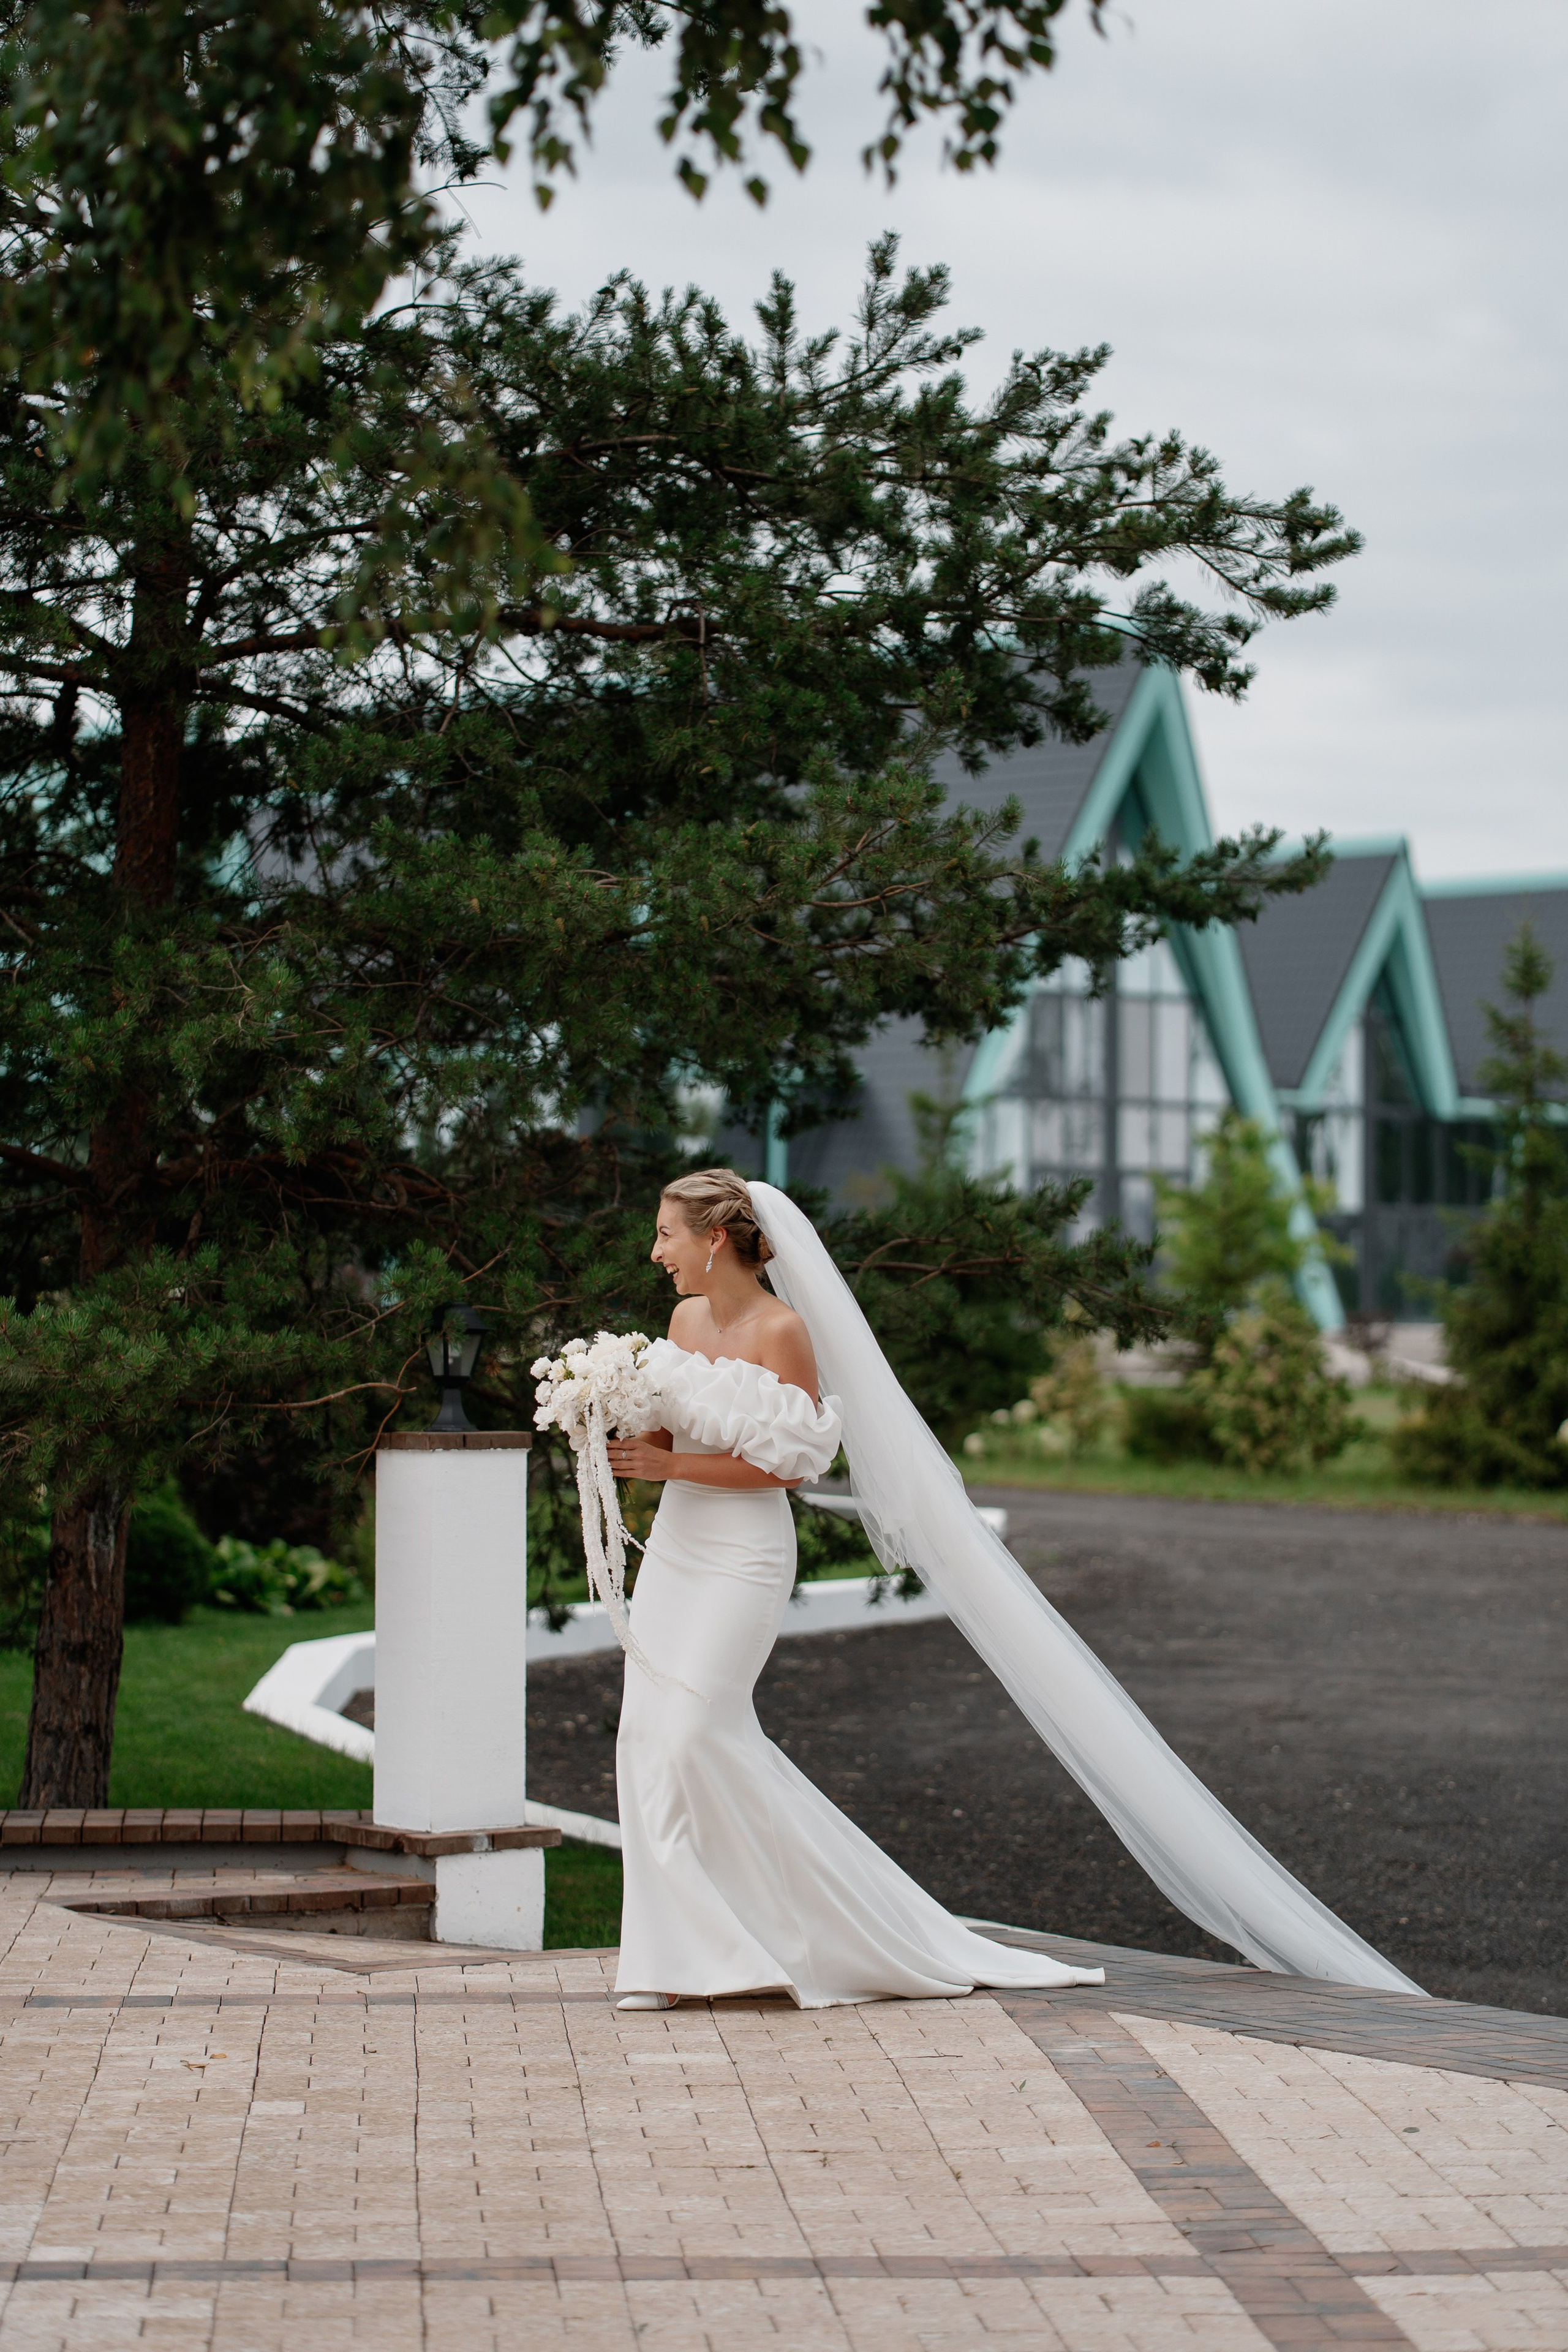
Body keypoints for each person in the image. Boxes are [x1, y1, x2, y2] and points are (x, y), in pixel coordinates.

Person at [605, 1169, 1422, 2013]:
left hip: (742, 1556)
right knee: (647, 1735)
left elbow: (788, 1463)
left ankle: (816, 1933)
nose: (655, 1251)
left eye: (666, 1233)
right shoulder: (681, 1320)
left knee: (697, 1727)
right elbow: (664, 1432)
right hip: (676, 1549)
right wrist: (607, 1408)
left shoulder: (783, 1331)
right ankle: (674, 1957)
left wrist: (672, 1463)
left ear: (714, 1238)